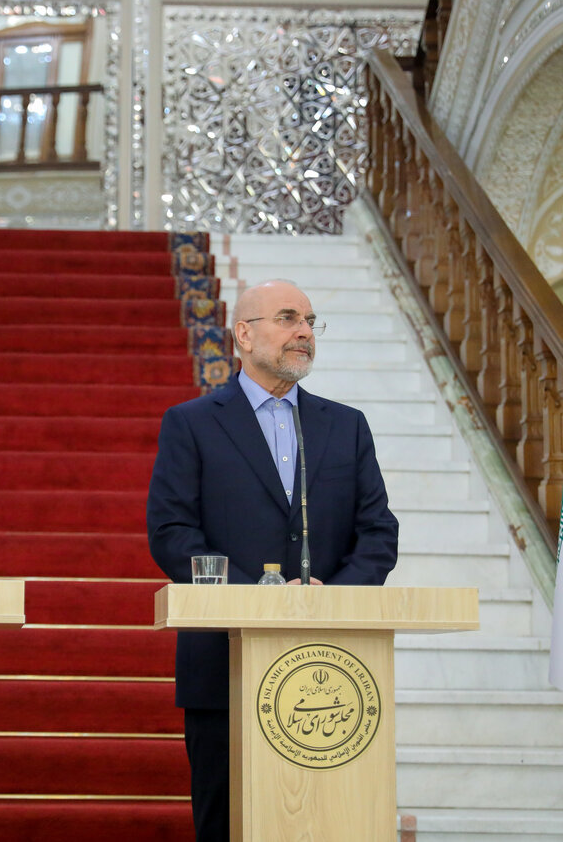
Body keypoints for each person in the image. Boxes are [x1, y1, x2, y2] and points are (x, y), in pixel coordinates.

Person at [146, 279, 398, 842]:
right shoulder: (192, 422)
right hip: (224, 666)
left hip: (330, 669)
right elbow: (171, 533)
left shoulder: (346, 425)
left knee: (326, 823)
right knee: (227, 822)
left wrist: (333, 600)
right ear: (244, 334)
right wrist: (253, 597)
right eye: (288, 318)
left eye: (310, 321)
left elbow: (379, 532)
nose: (304, 332)